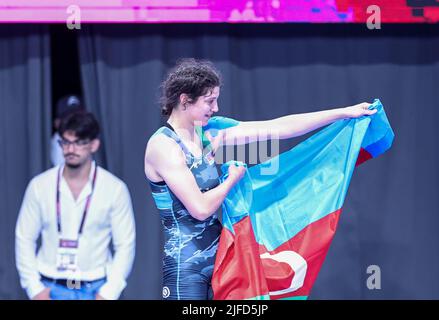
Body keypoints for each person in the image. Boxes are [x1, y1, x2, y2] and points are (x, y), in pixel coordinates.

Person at [144, 58, 376, 300]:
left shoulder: (209, 134)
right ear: (184, 100)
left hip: (223, 260)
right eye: (209, 101)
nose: (215, 108)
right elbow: (200, 209)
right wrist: (232, 180)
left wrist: (343, 113)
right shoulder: (163, 146)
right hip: (186, 267)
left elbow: (278, 128)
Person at [16, 111, 136, 300]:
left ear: (94, 144)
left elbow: (125, 245)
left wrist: (108, 293)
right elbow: (24, 238)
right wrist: (35, 289)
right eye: (66, 142)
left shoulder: (114, 189)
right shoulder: (40, 186)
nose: (71, 149)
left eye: (79, 142)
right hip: (49, 286)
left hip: (96, 288)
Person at [51, 95, 84, 166]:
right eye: (68, 118)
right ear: (57, 123)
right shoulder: (56, 143)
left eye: (78, 117)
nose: (74, 122)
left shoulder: (87, 140)